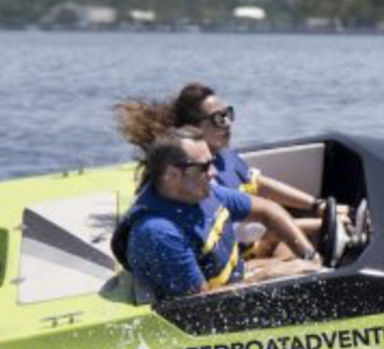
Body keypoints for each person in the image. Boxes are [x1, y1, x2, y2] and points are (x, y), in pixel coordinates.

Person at [114, 82, 333, 258]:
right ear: (194, 127)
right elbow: (251, 232)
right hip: (243, 253)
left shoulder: (222, 154)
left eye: (228, 114)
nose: (227, 123)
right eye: (218, 119)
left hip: (258, 234)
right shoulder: (199, 182)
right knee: (321, 242)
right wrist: (322, 224)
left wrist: (317, 205)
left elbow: (259, 184)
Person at [121, 127, 319, 301]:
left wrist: (309, 254)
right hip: (212, 305)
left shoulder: (201, 192)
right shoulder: (160, 234)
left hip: (237, 278)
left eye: (212, 162)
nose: (214, 172)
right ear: (172, 175)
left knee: (301, 256)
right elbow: (201, 307)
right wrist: (267, 275)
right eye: (204, 166)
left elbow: (269, 211)